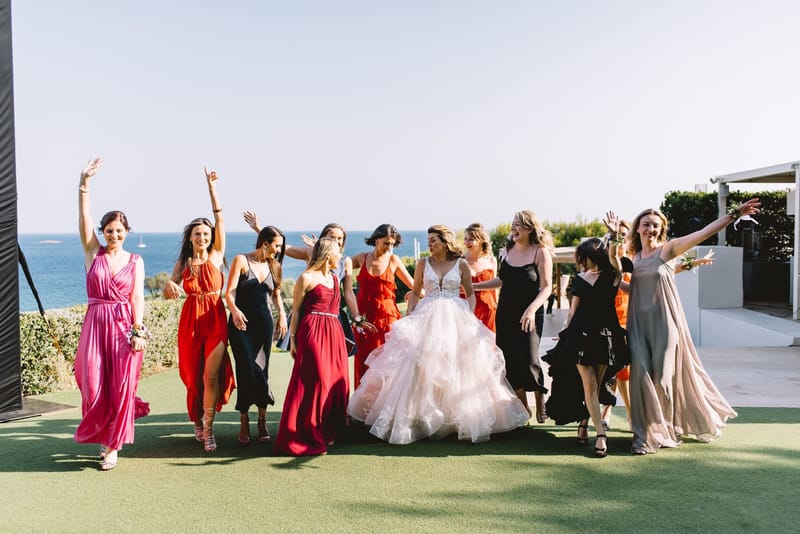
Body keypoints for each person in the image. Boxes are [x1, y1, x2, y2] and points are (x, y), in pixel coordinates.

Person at [348, 225, 529, 444]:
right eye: (428, 240)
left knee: (459, 366)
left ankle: (457, 421)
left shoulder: (460, 264)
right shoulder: (423, 263)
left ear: (445, 241)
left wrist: (469, 316)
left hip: (456, 317)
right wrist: (412, 316)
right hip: (427, 316)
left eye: (433, 240)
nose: (430, 244)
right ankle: (416, 418)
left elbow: (470, 294)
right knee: (419, 366)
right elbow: (415, 293)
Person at [605, 200, 760, 454]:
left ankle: (663, 427)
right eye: (646, 225)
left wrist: (733, 214)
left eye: (655, 225)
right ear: (638, 228)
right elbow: (628, 283)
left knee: (663, 381)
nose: (650, 229)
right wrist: (609, 281)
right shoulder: (632, 259)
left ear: (661, 229)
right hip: (638, 326)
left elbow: (704, 233)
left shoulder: (668, 250)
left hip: (665, 325)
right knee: (640, 379)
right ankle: (643, 437)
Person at [73, 157, 149, 471]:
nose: (113, 234)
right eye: (108, 230)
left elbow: (136, 298)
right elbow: (85, 216)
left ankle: (112, 444)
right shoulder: (93, 253)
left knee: (119, 386)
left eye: (119, 230)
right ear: (102, 232)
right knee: (92, 382)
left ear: (127, 232)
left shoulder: (136, 261)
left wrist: (139, 331)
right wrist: (84, 184)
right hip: (95, 324)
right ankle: (103, 433)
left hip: (123, 329)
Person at [163, 168, 235, 453]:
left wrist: (211, 188)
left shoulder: (217, 255)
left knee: (210, 376)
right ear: (190, 238)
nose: (202, 237)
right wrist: (170, 285)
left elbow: (220, 217)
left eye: (206, 233)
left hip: (215, 317)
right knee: (193, 376)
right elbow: (170, 287)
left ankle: (208, 429)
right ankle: (197, 417)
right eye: (197, 234)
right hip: (190, 320)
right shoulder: (184, 262)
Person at [243, 212, 375, 356]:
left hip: (333, 315)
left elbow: (348, 292)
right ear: (323, 238)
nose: (336, 241)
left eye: (340, 238)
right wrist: (258, 228)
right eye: (332, 237)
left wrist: (356, 316)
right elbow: (285, 248)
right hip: (310, 313)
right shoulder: (310, 252)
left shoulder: (346, 261)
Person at [542, 238, 627, 457]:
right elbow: (572, 312)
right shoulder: (579, 279)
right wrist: (564, 335)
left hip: (605, 336)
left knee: (597, 388)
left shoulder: (613, 275)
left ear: (594, 254)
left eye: (584, 256)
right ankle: (600, 435)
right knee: (589, 386)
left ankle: (584, 421)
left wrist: (614, 234)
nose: (581, 261)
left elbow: (616, 259)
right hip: (581, 336)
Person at [474, 210, 553, 422]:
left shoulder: (540, 252)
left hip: (530, 313)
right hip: (506, 313)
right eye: (513, 224)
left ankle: (540, 400)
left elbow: (547, 287)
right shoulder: (507, 250)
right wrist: (473, 286)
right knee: (509, 361)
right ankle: (523, 408)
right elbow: (502, 280)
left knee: (529, 360)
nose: (513, 228)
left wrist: (532, 309)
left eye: (518, 224)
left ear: (530, 228)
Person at [274, 237, 350, 456]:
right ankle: (305, 434)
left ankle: (326, 429)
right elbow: (296, 310)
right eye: (338, 252)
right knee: (316, 380)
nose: (341, 256)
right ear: (328, 254)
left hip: (334, 332)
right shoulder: (306, 277)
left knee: (334, 381)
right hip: (312, 331)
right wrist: (293, 339)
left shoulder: (335, 279)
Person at [225, 226, 288, 445]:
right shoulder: (241, 261)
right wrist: (234, 310)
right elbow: (229, 291)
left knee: (262, 370)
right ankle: (244, 419)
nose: (279, 250)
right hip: (241, 324)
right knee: (245, 369)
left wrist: (282, 315)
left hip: (264, 326)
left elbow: (276, 295)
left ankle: (262, 421)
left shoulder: (275, 265)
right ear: (265, 243)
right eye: (276, 245)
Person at [350, 224, 415, 389]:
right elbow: (339, 265)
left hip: (388, 321)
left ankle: (383, 408)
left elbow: (415, 285)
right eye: (386, 243)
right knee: (363, 361)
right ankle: (361, 408)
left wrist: (414, 293)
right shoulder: (361, 258)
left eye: (392, 244)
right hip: (364, 321)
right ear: (376, 239)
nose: (389, 247)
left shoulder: (394, 260)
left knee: (386, 364)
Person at [462, 222, 498, 331]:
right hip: (466, 310)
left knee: (488, 345)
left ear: (481, 241)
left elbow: (494, 288)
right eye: (465, 239)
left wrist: (497, 306)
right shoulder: (460, 261)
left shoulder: (492, 260)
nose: (466, 242)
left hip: (488, 311)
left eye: (471, 239)